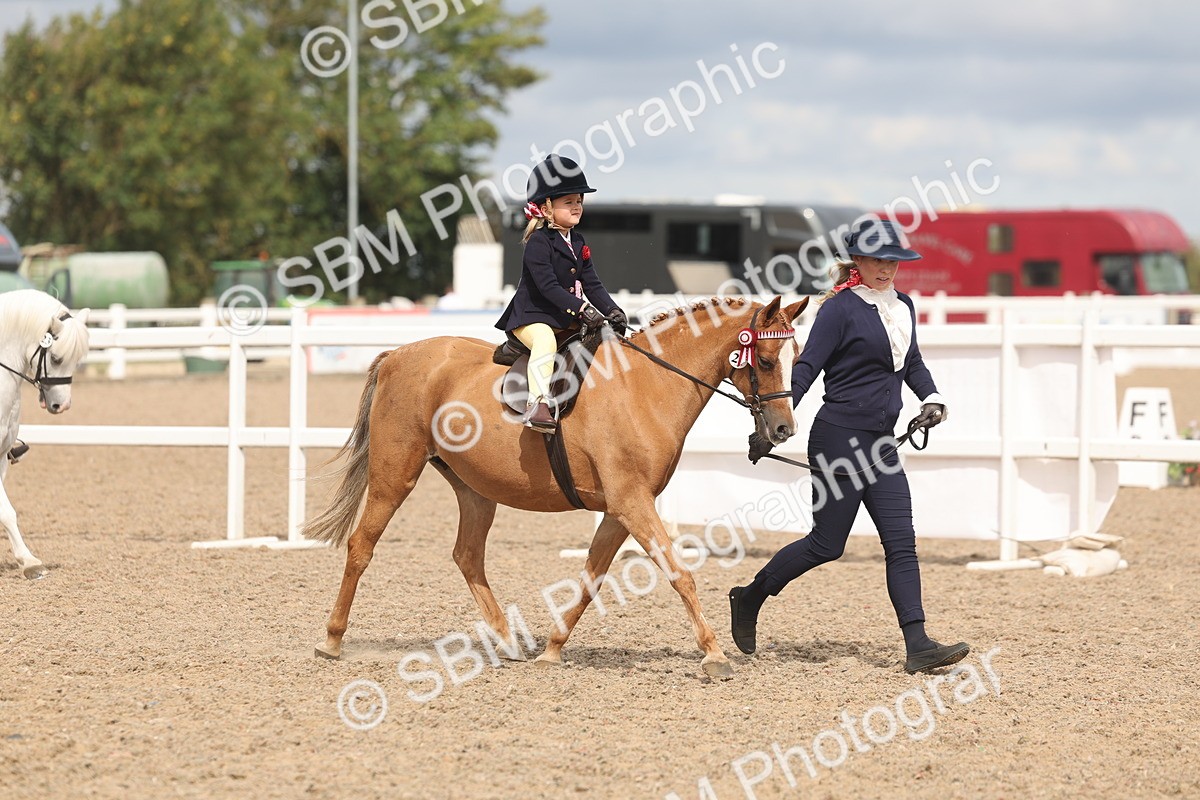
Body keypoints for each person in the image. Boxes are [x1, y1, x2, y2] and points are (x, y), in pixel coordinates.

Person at [728, 217, 969, 674]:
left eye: (893, 261)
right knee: (826, 544)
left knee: (902, 544)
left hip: (882, 444)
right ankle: (751, 596)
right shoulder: (838, 309)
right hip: (838, 439)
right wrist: (772, 424)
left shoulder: (904, 306)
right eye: (877, 260)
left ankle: (917, 643)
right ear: (856, 260)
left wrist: (932, 398)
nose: (886, 268)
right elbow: (808, 367)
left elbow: (911, 362)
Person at [495, 154, 627, 433]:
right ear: (545, 208)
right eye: (569, 202)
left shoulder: (577, 241)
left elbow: (592, 283)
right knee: (544, 342)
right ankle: (537, 404)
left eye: (579, 200)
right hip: (531, 318)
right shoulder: (538, 242)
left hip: (562, 316)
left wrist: (613, 311)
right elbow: (548, 288)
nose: (577, 206)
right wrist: (581, 309)